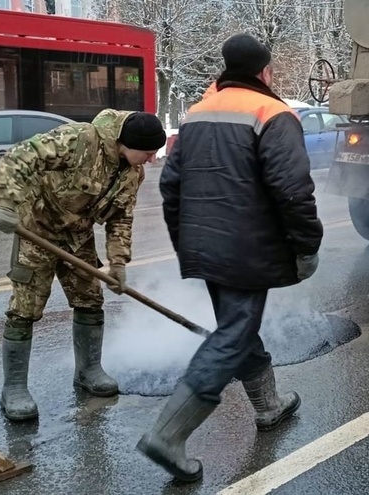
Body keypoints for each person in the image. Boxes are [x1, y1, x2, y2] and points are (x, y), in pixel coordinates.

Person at [136, 33, 323, 482]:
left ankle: (269, 406)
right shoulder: (273, 113)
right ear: (265, 72)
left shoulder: (196, 115)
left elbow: (170, 186)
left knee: (236, 328)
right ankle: (169, 435)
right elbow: (293, 190)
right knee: (235, 333)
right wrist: (306, 244)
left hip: (206, 245)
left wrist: (186, 242)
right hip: (246, 248)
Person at [0, 109, 166, 421]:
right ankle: (14, 388)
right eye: (149, 152)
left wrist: (118, 263)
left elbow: (120, 219)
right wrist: (7, 203)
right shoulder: (79, 140)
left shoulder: (131, 174)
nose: (152, 159)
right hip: (36, 230)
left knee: (90, 299)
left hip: (77, 236)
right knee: (24, 308)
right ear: (129, 143)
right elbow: (18, 157)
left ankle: (88, 370)